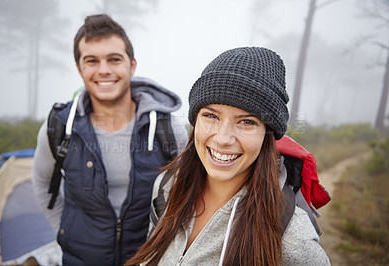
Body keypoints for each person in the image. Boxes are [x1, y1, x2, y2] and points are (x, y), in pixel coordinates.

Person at [126, 47, 331, 265]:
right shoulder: (167, 188)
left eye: (246, 122)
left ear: (267, 134)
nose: (223, 138)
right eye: (211, 116)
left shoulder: (290, 237)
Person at [32, 14, 187, 265]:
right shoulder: (59, 128)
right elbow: (41, 182)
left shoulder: (168, 127)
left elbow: (189, 191)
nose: (104, 70)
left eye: (114, 59)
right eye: (92, 60)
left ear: (132, 65)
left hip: (149, 260)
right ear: (79, 67)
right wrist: (65, 230)